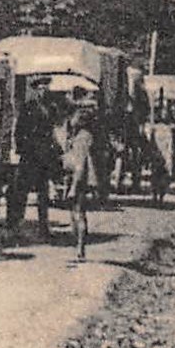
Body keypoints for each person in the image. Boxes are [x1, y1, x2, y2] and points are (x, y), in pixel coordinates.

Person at [5, 79, 56, 244]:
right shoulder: (28, 107)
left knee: (43, 193)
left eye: (45, 88)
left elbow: (51, 133)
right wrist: (20, 149)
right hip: (29, 155)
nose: (43, 91)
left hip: (44, 156)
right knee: (20, 191)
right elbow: (19, 130)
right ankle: (14, 226)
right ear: (35, 90)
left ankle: (44, 227)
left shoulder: (51, 108)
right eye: (40, 88)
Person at [62, 93, 99, 261]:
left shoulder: (83, 138)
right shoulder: (79, 136)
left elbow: (80, 166)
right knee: (75, 213)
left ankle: (80, 248)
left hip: (79, 179)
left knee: (79, 212)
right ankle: (78, 246)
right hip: (74, 178)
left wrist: (73, 187)